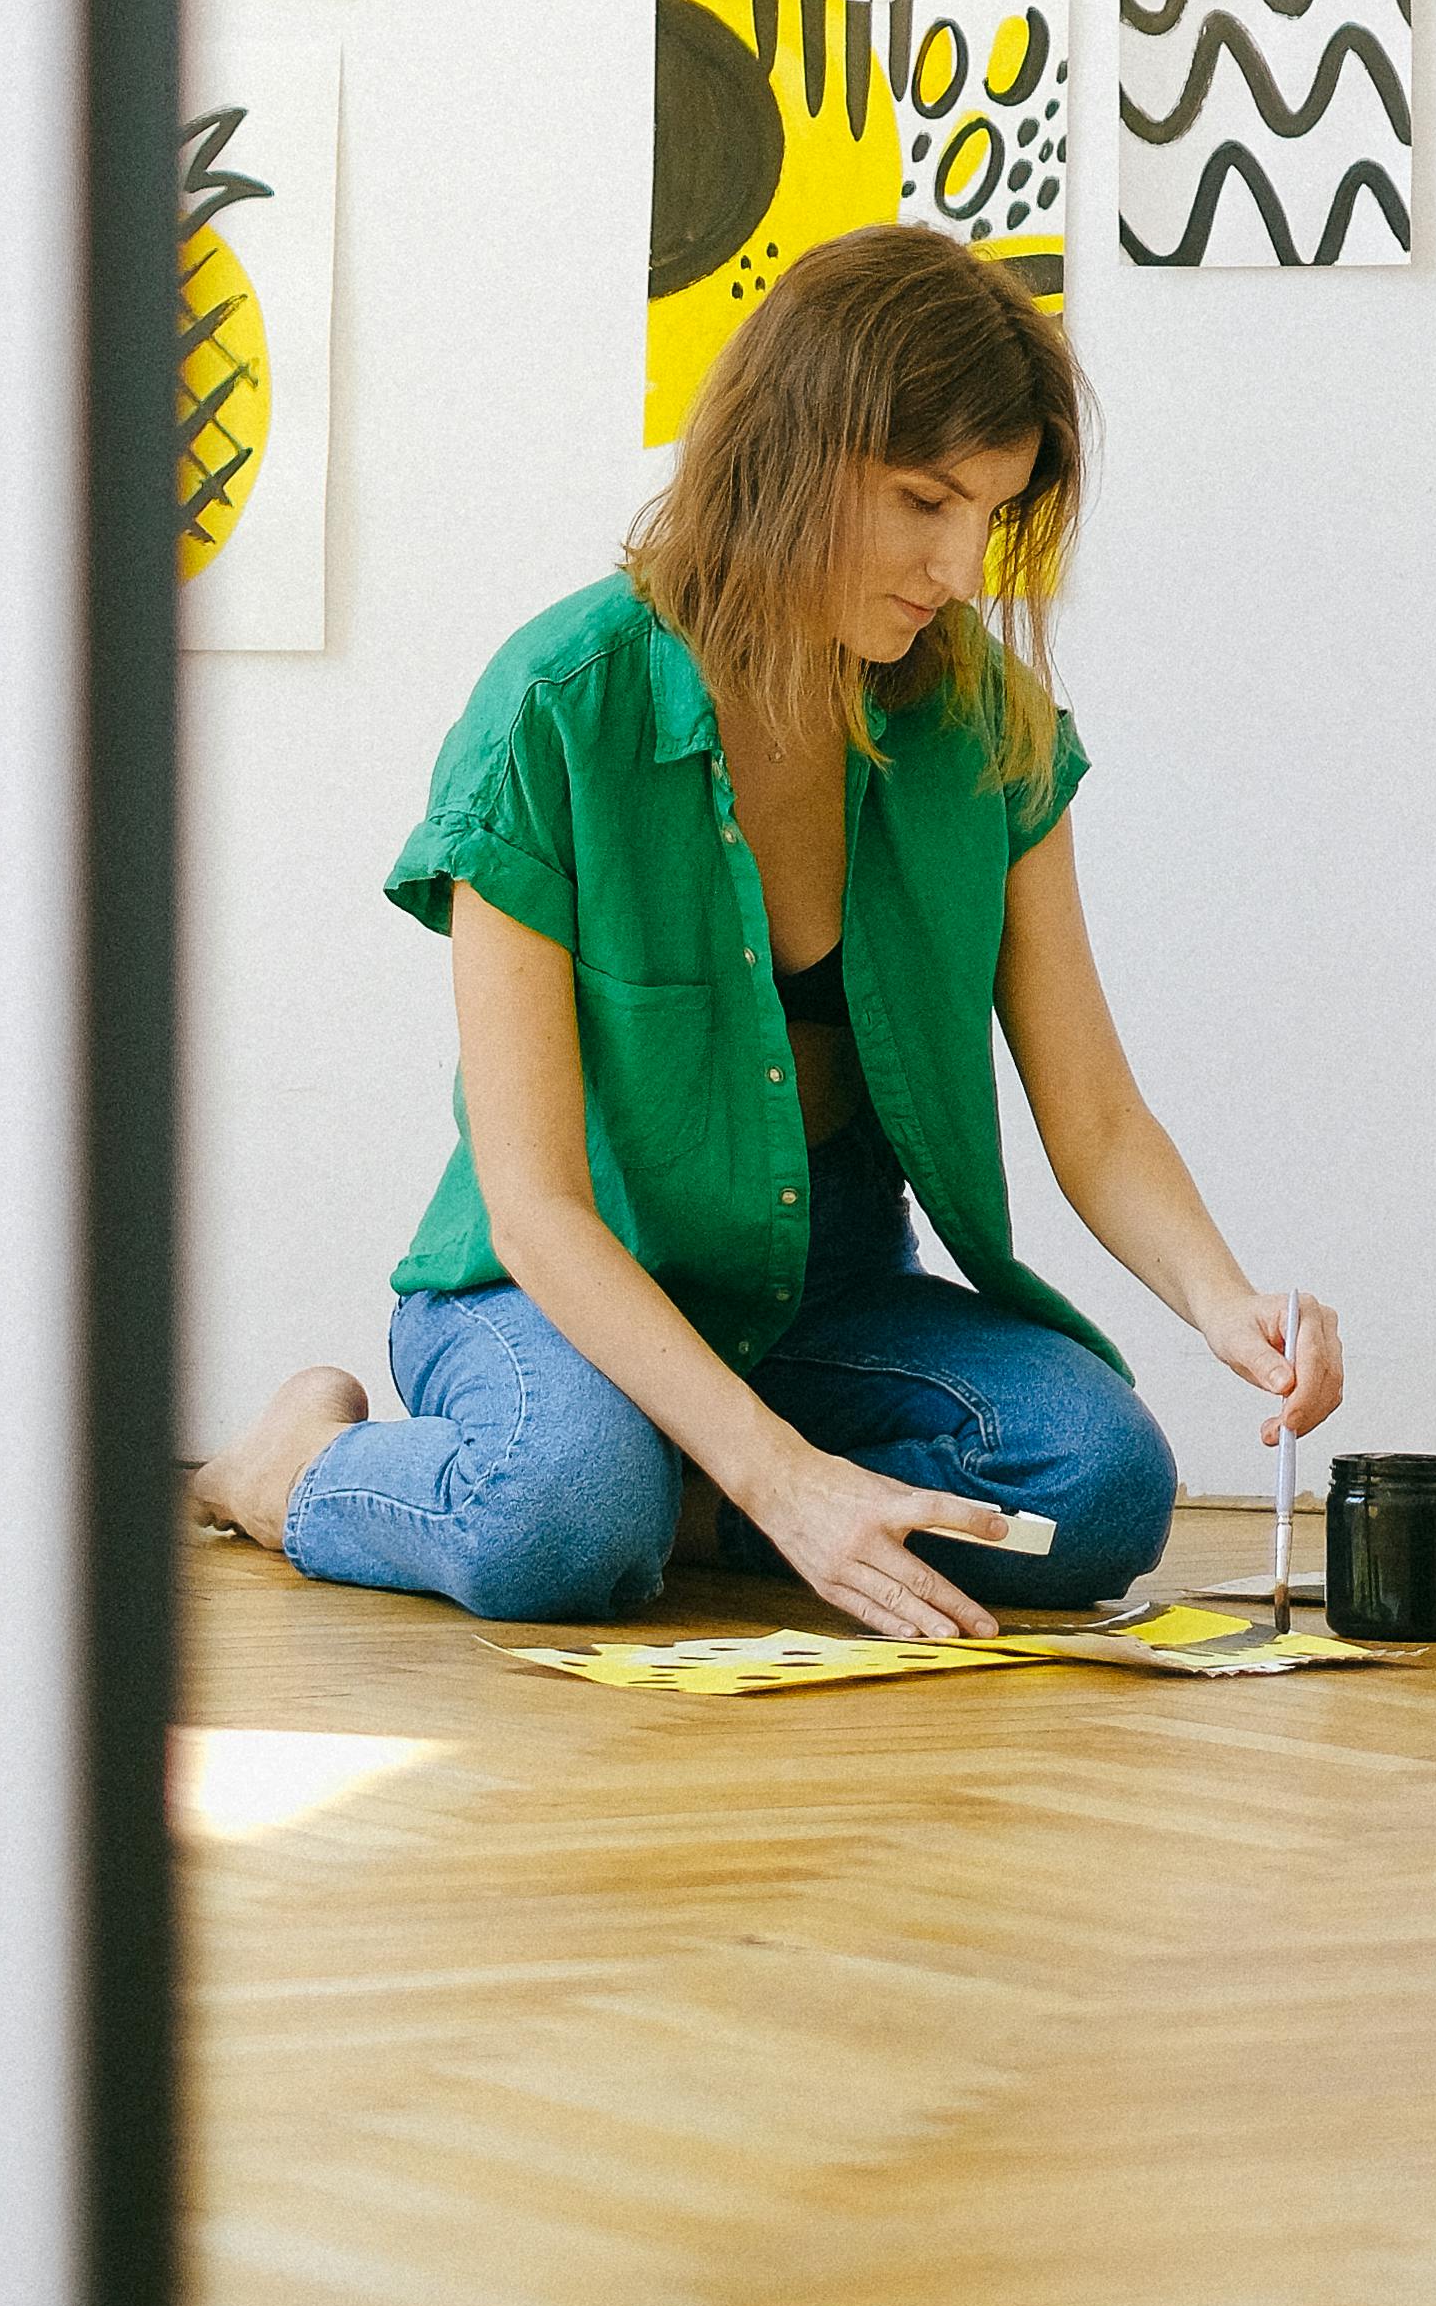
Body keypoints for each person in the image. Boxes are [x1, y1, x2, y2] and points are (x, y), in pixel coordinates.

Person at [192, 222, 1341, 1638]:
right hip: (550, 1290)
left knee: (1099, 1487)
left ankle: (694, 1505)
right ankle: (295, 1462)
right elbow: (540, 1207)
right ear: (790, 450)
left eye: (989, 514)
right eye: (925, 501)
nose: (961, 569)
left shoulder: (982, 725)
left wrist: (1227, 1304)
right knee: (558, 1514)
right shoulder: (553, 713)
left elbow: (1092, 1113)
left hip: (830, 1293)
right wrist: (784, 1476)